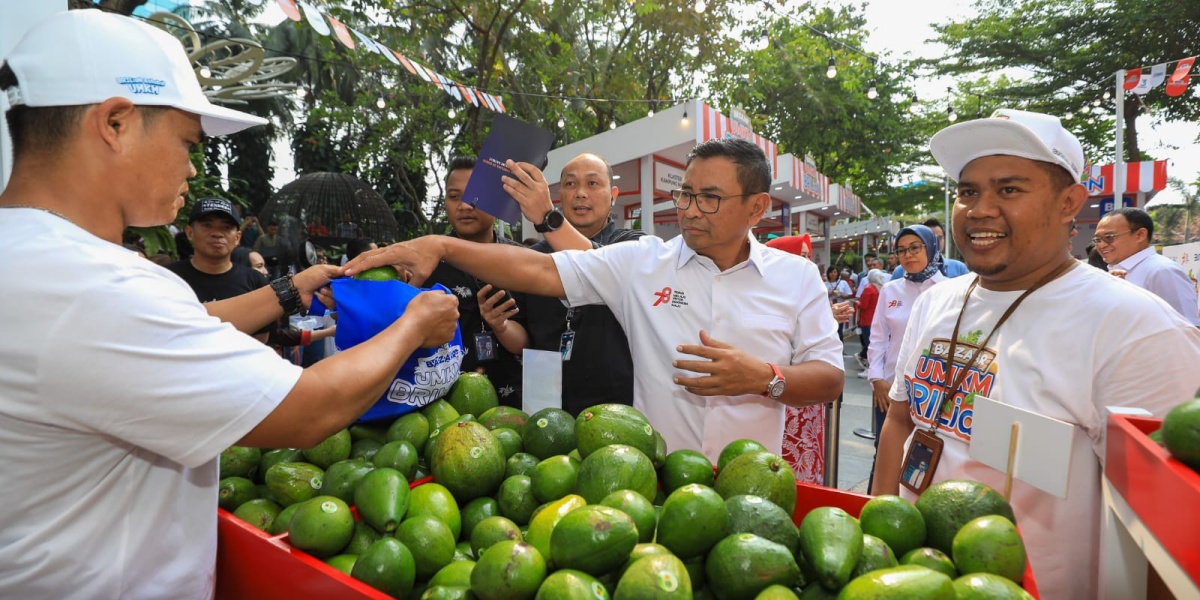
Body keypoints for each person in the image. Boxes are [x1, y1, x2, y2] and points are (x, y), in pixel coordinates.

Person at [0, 11, 459, 598]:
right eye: (187, 142)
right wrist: (415, 321)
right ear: (115, 122)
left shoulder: (36, 262)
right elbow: (310, 409)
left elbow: (184, 328)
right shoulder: (95, 286)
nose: (192, 167)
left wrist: (290, 289)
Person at [870, 108, 1200, 600]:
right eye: (968, 192)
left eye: (1009, 189)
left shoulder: (1136, 327)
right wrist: (877, 533)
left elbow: (1167, 536)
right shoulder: (937, 301)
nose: (980, 209)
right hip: (912, 578)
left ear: (1069, 202)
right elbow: (901, 420)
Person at [346, 138, 844, 459]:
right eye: (685, 194)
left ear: (757, 207)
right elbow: (538, 268)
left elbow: (829, 379)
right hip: (650, 484)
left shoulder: (796, 277)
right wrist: (441, 245)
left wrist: (766, 379)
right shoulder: (642, 262)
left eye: (708, 198)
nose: (691, 210)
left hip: (753, 484)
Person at [504, 152, 645, 415]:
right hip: (545, 401)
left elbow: (597, 265)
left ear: (613, 194)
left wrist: (547, 218)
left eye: (592, 183)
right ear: (559, 195)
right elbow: (522, 337)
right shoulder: (534, 258)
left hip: (613, 405)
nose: (580, 193)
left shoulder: (634, 245)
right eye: (570, 184)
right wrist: (500, 325)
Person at [423, 156, 528, 406]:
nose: (465, 206)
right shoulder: (427, 265)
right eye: (454, 196)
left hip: (512, 406)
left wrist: (501, 326)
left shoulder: (524, 261)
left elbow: (531, 343)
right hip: (445, 407)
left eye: (475, 195)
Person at [865, 225, 948, 488]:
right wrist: (876, 378)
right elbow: (878, 338)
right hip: (890, 390)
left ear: (932, 247)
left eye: (915, 248)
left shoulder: (951, 290)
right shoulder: (890, 291)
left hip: (934, 392)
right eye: (901, 250)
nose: (908, 255)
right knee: (886, 452)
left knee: (928, 457)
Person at [1095, 206, 1200, 326]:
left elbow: (1186, 327)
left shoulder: (1162, 271)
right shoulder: (1112, 272)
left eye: (1109, 237)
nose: (1102, 245)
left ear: (1140, 235)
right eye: (1097, 239)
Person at [891, 217, 970, 280]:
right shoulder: (900, 272)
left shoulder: (958, 268)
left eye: (939, 238)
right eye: (930, 239)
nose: (935, 243)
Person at [855, 268, 884, 379]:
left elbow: (864, 306)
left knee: (868, 345)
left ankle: (869, 369)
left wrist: (858, 302)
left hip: (867, 320)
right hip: (877, 320)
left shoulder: (869, 289)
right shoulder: (880, 288)